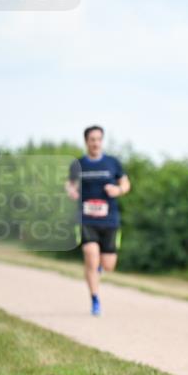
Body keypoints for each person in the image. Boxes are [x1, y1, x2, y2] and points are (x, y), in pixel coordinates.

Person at [65, 125, 130, 316]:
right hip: (86, 218)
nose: (96, 143)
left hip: (109, 220)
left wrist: (118, 190)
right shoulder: (78, 164)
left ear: (102, 141)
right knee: (90, 255)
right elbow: (70, 183)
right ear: (86, 141)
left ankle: (97, 268)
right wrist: (71, 191)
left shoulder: (112, 162)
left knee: (108, 265)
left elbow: (125, 183)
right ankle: (95, 300)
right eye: (92, 139)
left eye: (99, 139)